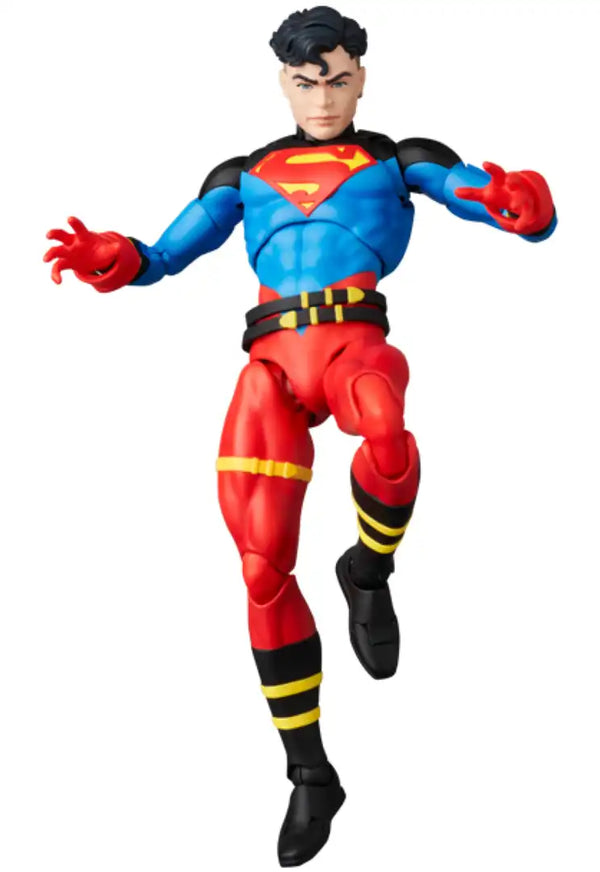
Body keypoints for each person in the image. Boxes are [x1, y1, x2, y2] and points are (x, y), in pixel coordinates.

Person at [44, 6, 556, 866]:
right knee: (259, 570)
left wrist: (521, 209)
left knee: (387, 434)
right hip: (271, 367)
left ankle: (368, 569)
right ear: (283, 83)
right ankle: (311, 773)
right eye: (307, 82)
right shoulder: (243, 174)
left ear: (363, 79)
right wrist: (115, 257)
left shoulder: (396, 158)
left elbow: (475, 192)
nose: (323, 98)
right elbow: (163, 255)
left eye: (339, 80)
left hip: (354, 347)